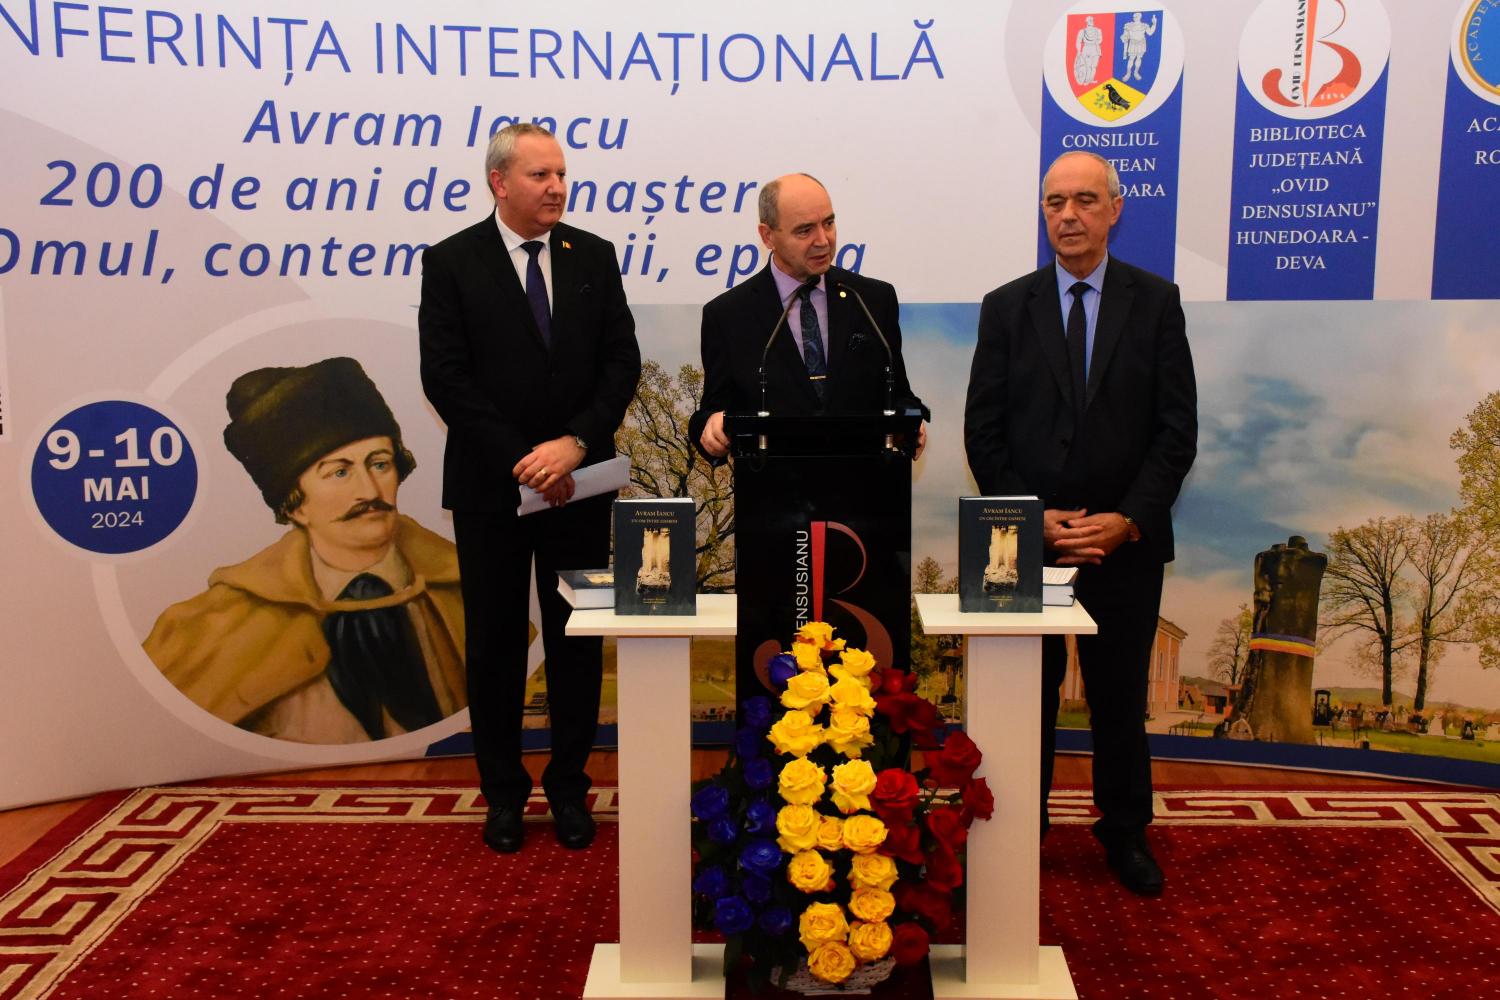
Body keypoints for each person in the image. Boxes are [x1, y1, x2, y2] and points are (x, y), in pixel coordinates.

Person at [963, 150, 1197, 896]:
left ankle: (1124, 831)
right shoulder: (1007, 306)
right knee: (1021, 696)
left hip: (1123, 544)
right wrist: (1033, 521)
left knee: (1119, 696)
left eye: (1085, 200)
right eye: (1055, 202)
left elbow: (1176, 433)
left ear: (1115, 209)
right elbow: (982, 432)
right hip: (1022, 545)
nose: (1068, 215)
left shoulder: (1156, 303)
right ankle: (1015, 827)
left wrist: (1127, 520)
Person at [418, 123, 641, 853]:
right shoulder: (452, 261)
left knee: (577, 641)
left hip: (580, 485)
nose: (556, 188)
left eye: (561, 174)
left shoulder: (593, 256)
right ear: (500, 182)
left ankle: (571, 788)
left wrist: (573, 443)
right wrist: (523, 458)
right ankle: (504, 795)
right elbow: (445, 377)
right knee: (495, 644)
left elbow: (621, 362)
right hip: (492, 490)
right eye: (540, 175)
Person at [145, 356, 466, 745]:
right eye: (339, 472)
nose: (369, 490)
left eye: (380, 464)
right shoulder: (216, 623)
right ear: (295, 504)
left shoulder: (467, 585)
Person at [688, 173, 928, 462]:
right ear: (767, 236)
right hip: (772, 484)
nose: (823, 241)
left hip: (864, 481)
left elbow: (898, 394)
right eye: (804, 231)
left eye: (829, 223)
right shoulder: (727, 315)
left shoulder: (873, 299)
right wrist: (711, 424)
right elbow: (712, 411)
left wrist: (909, 423)